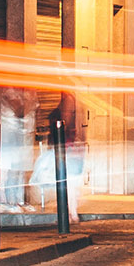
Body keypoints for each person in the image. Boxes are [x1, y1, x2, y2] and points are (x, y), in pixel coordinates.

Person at [48, 90, 88, 222]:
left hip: (68, 153)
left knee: (69, 185)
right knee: (69, 185)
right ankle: (70, 213)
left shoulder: (64, 119)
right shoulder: (62, 120)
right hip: (66, 152)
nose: (69, 112)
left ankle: (70, 213)